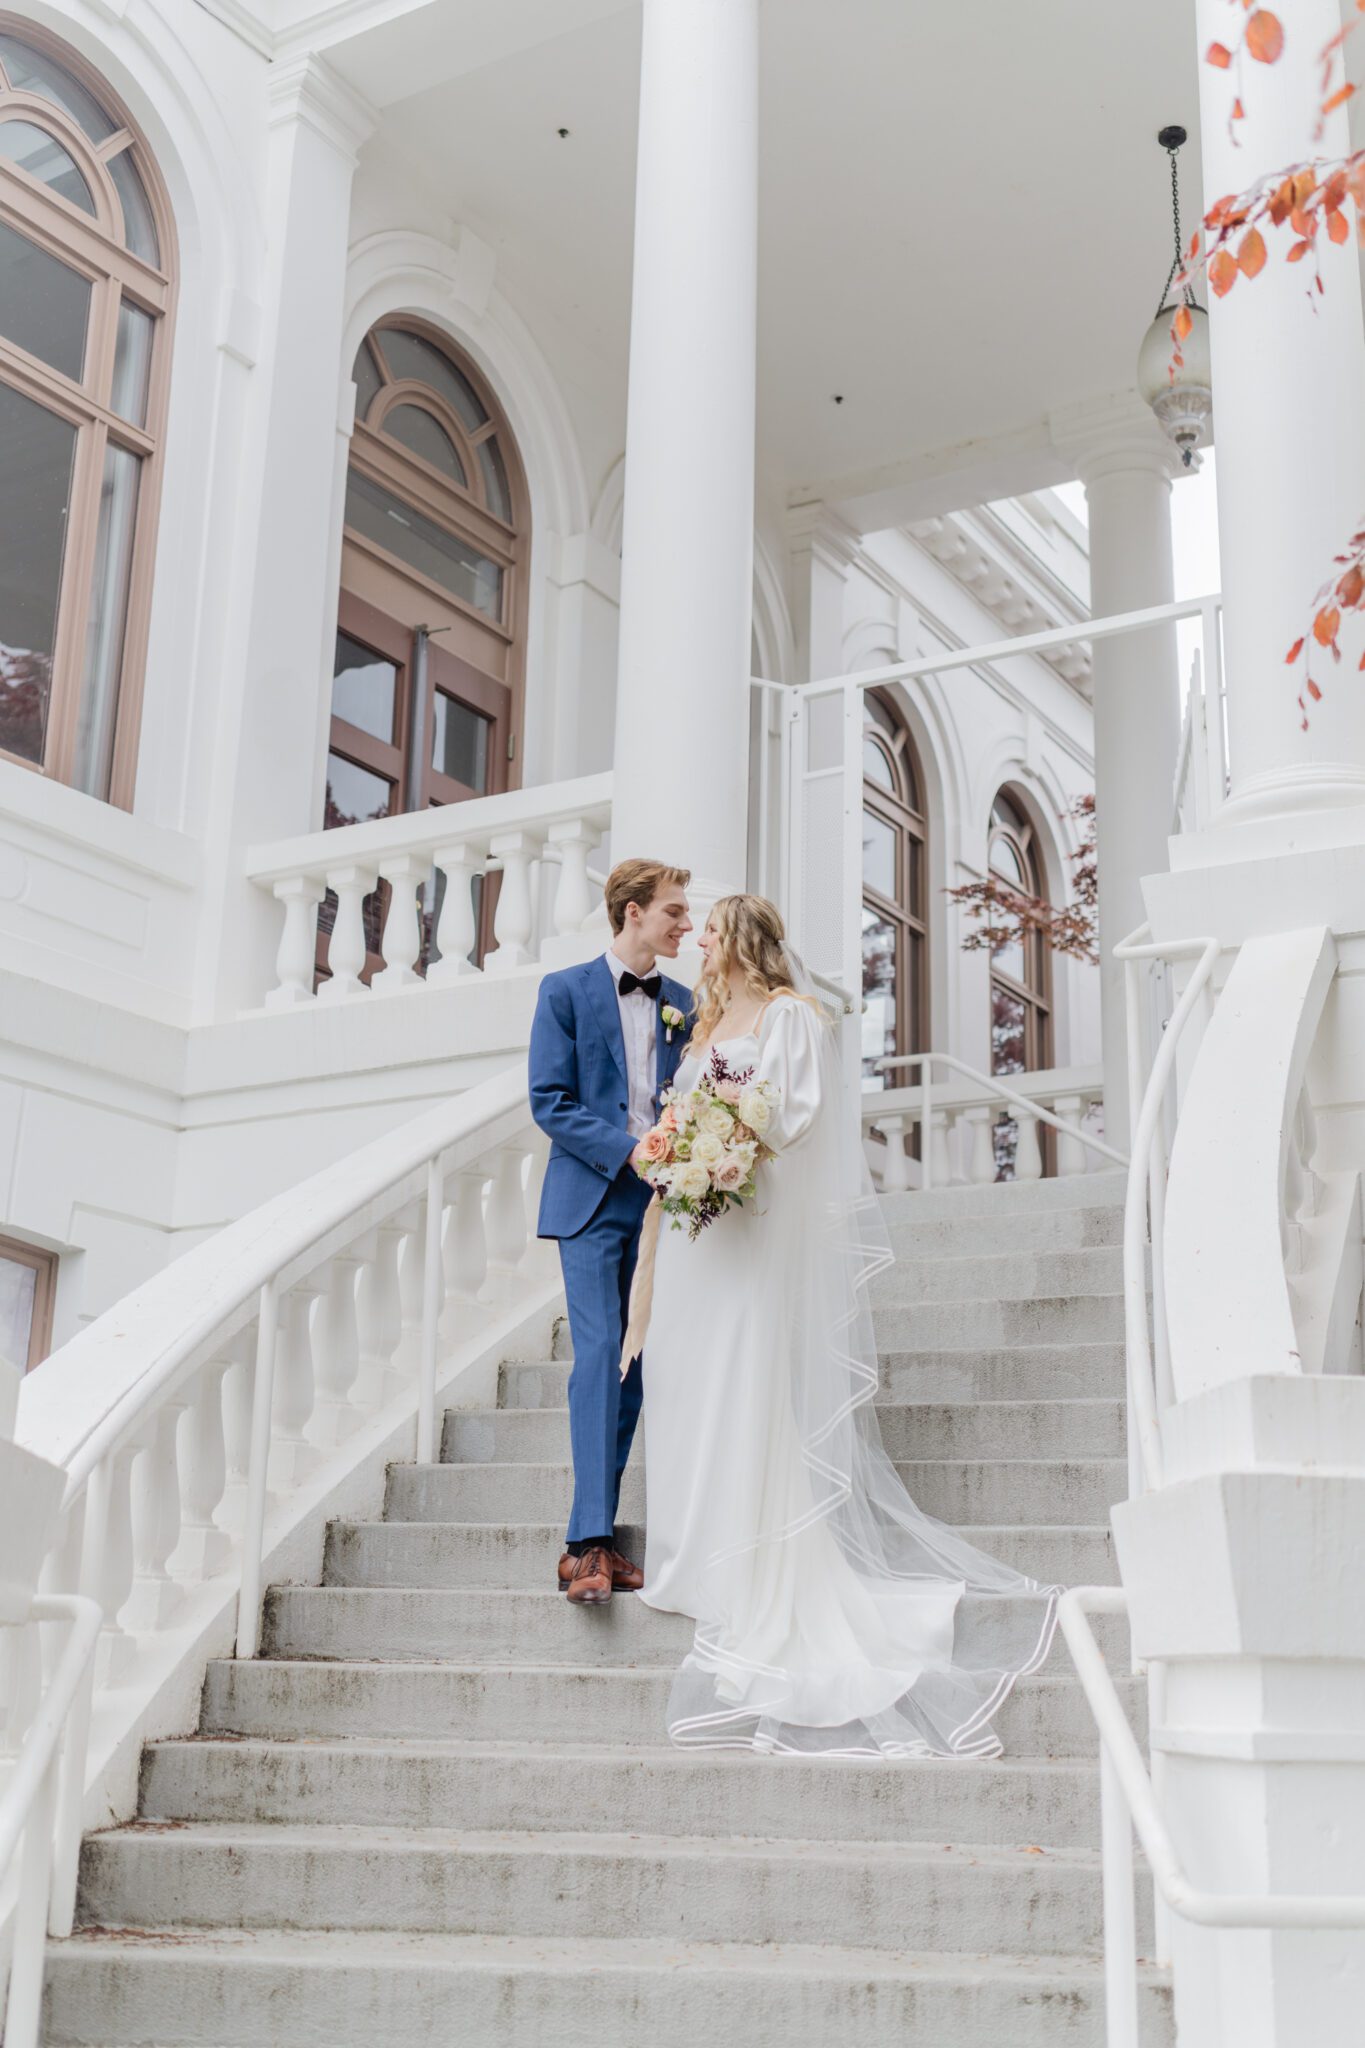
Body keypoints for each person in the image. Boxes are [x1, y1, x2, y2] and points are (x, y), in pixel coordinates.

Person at [636, 892, 1059, 1758]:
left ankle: (744, 1557)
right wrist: (677, 1149)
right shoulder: (704, 1023)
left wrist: (725, 1144)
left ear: (741, 940)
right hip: (692, 1230)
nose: (699, 942)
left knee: (739, 1381)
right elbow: (680, 1113)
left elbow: (793, 1115)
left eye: (709, 931)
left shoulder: (790, 1017)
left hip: (747, 1222)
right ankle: (688, 1552)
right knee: (682, 1378)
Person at [528, 858, 694, 1603]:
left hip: (664, 1209)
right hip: (592, 1200)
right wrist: (629, 1149)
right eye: (672, 913)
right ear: (632, 912)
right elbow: (549, 1101)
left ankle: (595, 1539)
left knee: (636, 1371)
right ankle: (587, 1542)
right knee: (598, 1355)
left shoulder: (685, 1004)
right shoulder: (563, 991)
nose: (684, 926)